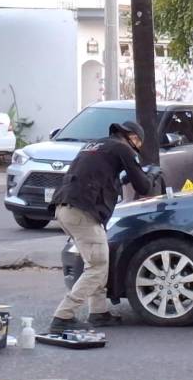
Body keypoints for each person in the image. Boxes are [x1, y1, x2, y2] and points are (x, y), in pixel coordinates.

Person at [48, 121, 160, 334]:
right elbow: (143, 186)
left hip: (65, 208)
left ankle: (99, 313)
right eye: (138, 141)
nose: (137, 146)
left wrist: (122, 178)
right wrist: (152, 175)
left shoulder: (96, 145)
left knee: (99, 261)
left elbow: (95, 175)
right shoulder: (123, 149)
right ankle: (63, 315)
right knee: (97, 266)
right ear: (132, 137)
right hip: (82, 212)